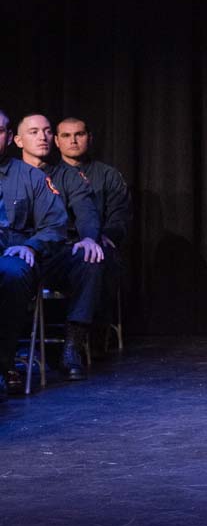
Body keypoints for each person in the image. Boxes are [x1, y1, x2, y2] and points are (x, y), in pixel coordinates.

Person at [13, 113, 106, 381]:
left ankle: (73, 345)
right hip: (15, 254)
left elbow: (86, 211)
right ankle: (14, 353)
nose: (42, 136)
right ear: (18, 140)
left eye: (46, 131)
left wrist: (89, 238)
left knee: (90, 258)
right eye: (33, 132)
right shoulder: (10, 175)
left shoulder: (67, 176)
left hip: (52, 255)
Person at [0, 109, 69, 400]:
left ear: (8, 137)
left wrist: (31, 245)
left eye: (0, 130)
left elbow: (55, 225)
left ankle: (3, 365)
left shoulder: (30, 176)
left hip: (14, 256)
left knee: (10, 273)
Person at [53, 116, 132, 351]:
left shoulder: (108, 175)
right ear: (56, 141)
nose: (73, 140)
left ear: (89, 138)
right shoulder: (49, 176)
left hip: (100, 243)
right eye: (66, 136)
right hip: (64, 247)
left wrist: (105, 236)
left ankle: (97, 330)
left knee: (100, 258)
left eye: (79, 134)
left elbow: (120, 215)